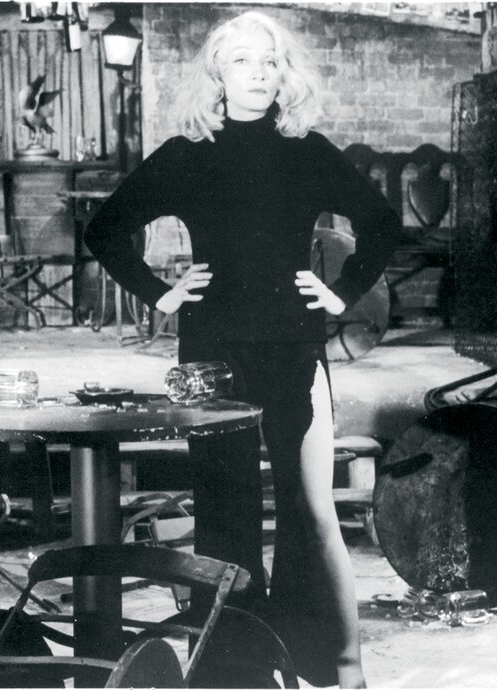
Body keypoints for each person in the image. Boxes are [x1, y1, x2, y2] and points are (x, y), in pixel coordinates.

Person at [84, 10, 400, 688]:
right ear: (217, 76)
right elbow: (104, 229)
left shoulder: (308, 151)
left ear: (284, 74)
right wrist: (161, 293)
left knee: (309, 513)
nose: (258, 74)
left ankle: (332, 670)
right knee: (224, 514)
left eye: (269, 61)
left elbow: (382, 222)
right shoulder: (186, 155)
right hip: (212, 355)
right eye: (241, 62)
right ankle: (235, 674)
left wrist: (341, 292)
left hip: (293, 347)